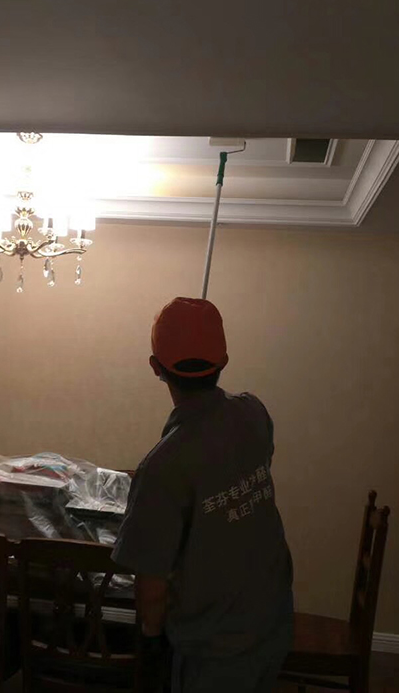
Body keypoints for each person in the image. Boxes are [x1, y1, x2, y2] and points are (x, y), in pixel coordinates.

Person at [113, 297, 294, 693]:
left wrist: (152, 639)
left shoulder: (163, 467)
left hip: (215, 652)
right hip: (273, 620)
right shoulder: (254, 413)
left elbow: (151, 589)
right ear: (223, 360)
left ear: (156, 367)